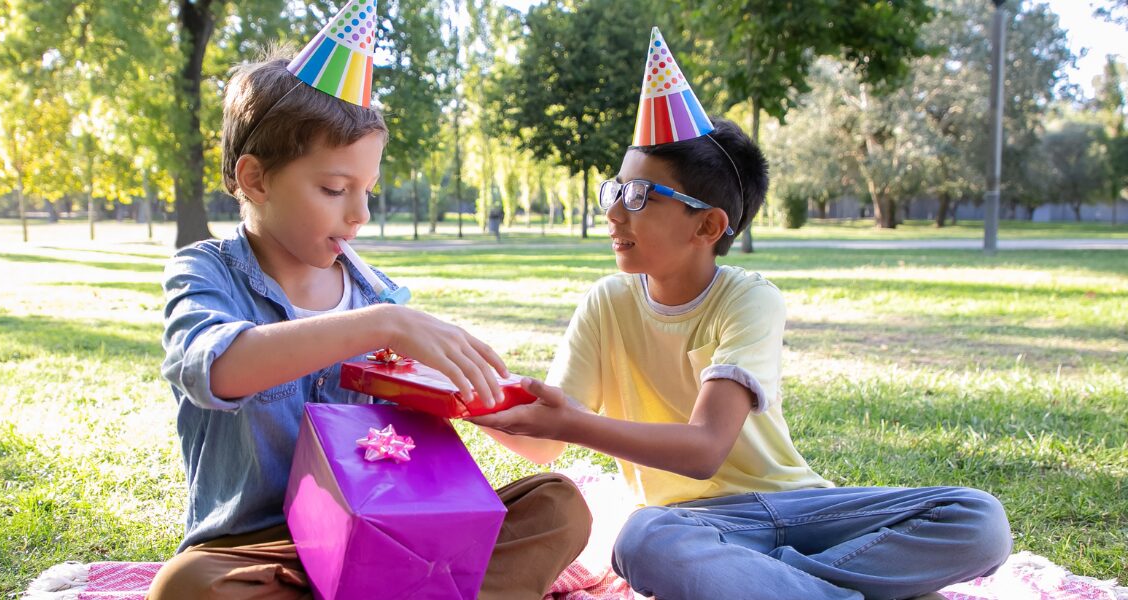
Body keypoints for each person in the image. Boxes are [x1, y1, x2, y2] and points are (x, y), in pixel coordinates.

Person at [470, 27, 1012, 600]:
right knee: (641, 539)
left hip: (803, 508)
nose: (615, 213)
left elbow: (705, 450)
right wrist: (457, 398)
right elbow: (542, 444)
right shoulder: (607, 303)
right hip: (695, 528)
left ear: (707, 226)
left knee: (977, 517)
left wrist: (569, 423)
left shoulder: (749, 297)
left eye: (640, 198)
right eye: (615, 192)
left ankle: (775, 585)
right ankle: (805, 587)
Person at [147, 7, 590, 599]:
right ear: (255, 180)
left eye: (367, 191)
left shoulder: (380, 296)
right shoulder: (206, 271)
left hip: (389, 534)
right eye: (334, 189)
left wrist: (527, 412)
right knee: (186, 586)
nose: (360, 214)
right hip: (263, 552)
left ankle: (399, 585)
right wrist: (379, 325)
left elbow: (536, 444)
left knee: (558, 504)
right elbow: (217, 368)